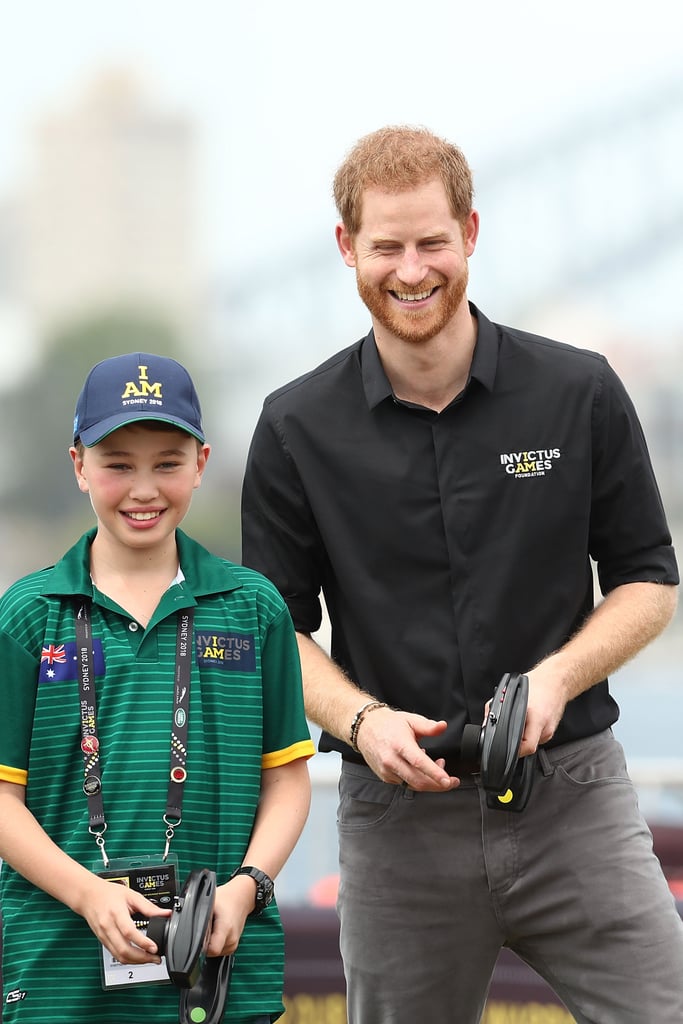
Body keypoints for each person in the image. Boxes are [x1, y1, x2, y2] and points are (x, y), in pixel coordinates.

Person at [240, 126, 683, 1023]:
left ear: (470, 233)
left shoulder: (579, 390)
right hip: (394, 821)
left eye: (432, 241)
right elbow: (273, 632)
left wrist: (558, 678)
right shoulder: (294, 427)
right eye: (387, 246)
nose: (412, 269)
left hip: (575, 801)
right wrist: (361, 723)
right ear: (346, 249)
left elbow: (647, 579)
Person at [0, 352, 315, 1024]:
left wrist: (246, 888)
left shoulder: (252, 607)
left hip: (215, 964)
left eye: (166, 463)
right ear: (78, 464)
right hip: (56, 969)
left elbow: (286, 780)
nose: (143, 489)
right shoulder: (29, 613)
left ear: (201, 463)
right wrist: (88, 894)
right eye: (118, 464)